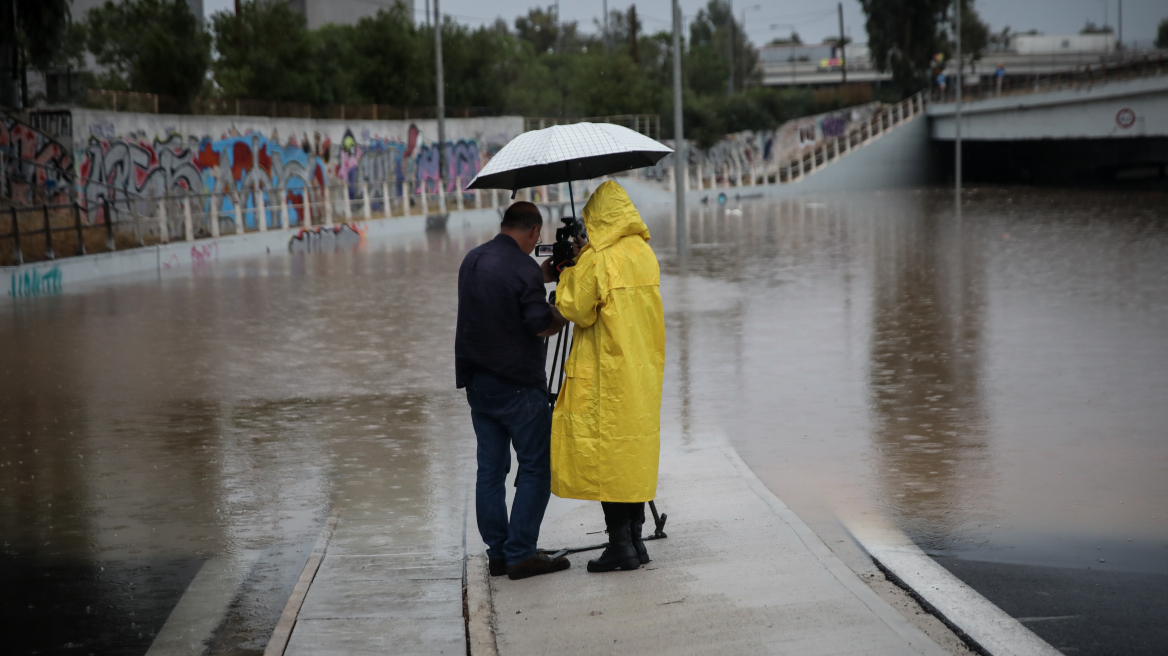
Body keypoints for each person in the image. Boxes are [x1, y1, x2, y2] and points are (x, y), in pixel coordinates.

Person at [549, 181, 666, 573]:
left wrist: (570, 270)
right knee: (632, 453)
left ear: (597, 218)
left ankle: (620, 546)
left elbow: (574, 308)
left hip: (607, 374)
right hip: (642, 371)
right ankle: (635, 540)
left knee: (608, 457)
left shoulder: (599, 260)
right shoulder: (644, 253)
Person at [456, 201, 570, 580]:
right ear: (535, 232)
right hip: (519, 388)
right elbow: (538, 323)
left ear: (505, 224)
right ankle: (522, 553)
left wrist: (538, 277)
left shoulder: (472, 260)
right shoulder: (522, 268)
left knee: (490, 470)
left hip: (478, 384)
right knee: (536, 468)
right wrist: (563, 311)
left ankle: (499, 554)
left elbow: (498, 302)